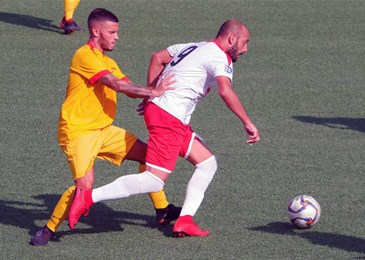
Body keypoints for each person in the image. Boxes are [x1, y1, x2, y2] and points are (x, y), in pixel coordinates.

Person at [68, 19, 260, 237]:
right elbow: (226, 91)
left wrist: (152, 93)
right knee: (153, 180)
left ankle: (185, 220)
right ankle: (89, 197)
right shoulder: (220, 57)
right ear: (232, 38)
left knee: (207, 163)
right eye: (245, 42)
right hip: (169, 117)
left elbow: (157, 57)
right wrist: (247, 122)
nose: (245, 49)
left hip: (169, 115)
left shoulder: (194, 46)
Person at [30, 8, 179, 246]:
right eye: (112, 32)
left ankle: (162, 209)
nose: (117, 37)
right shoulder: (84, 55)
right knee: (84, 188)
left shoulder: (108, 61)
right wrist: (153, 91)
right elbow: (115, 85)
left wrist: (150, 96)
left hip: (105, 131)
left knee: (150, 155)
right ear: (96, 31)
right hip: (79, 133)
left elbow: (127, 85)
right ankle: (49, 228)